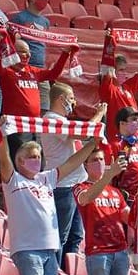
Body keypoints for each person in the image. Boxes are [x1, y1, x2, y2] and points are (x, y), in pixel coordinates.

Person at [0, 136, 100, 275]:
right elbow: (4, 160)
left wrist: (92, 145)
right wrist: (2, 136)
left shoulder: (46, 178)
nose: (36, 160)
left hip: (51, 249)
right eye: (31, 157)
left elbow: (71, 163)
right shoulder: (14, 181)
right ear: (20, 160)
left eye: (38, 156)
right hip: (27, 248)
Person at [37, 82, 105, 260]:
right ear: (61, 99)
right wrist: (99, 114)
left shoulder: (63, 120)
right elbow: (84, 133)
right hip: (62, 185)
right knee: (60, 236)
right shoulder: (51, 119)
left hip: (76, 185)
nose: (74, 102)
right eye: (72, 98)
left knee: (76, 236)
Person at [0, 35, 76, 161]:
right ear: (13, 52)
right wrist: (6, 39)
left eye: (28, 52)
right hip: (17, 125)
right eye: (23, 52)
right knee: (22, 161)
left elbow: (53, 74)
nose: (27, 55)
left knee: (38, 161)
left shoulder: (32, 71)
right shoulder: (6, 71)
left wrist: (65, 54)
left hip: (35, 124)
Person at [74, 155, 130, 275]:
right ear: (85, 165)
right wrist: (109, 175)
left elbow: (127, 217)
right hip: (98, 252)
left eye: (101, 159)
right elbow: (86, 199)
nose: (100, 163)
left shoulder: (115, 192)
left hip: (120, 251)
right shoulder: (80, 188)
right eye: (94, 160)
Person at [10, 0, 56, 110]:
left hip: (41, 71)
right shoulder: (19, 18)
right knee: (25, 105)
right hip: (24, 69)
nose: (46, 0)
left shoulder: (45, 21)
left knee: (44, 107)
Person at [99, 46, 138, 138]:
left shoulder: (127, 86)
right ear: (113, 71)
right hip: (117, 138)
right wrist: (109, 41)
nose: (124, 73)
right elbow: (107, 68)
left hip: (135, 137)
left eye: (125, 69)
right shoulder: (108, 88)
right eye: (121, 70)